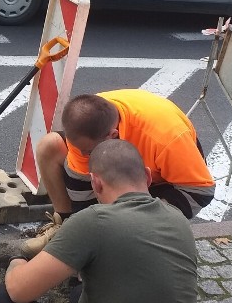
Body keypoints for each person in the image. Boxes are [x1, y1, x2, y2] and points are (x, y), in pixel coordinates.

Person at [0, 139, 200, 303]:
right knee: (79, 290)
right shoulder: (178, 218)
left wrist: (17, 260)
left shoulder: (94, 220)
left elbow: (19, 290)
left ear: (95, 183)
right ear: (147, 176)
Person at [21, 89, 214, 257]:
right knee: (49, 145)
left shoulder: (167, 137)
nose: (82, 155)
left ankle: (141, 238)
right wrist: (79, 236)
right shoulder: (85, 121)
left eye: (87, 152)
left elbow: (200, 192)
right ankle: (63, 225)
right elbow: (82, 192)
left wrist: (135, 219)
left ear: (112, 136)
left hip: (162, 182)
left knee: (126, 224)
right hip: (126, 163)